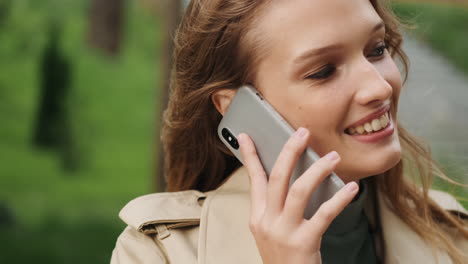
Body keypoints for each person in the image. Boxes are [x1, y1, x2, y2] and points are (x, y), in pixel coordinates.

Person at [111, 0, 468, 263]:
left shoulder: (455, 237)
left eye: (376, 49)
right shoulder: (156, 253)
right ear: (239, 109)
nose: (380, 88)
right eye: (323, 71)